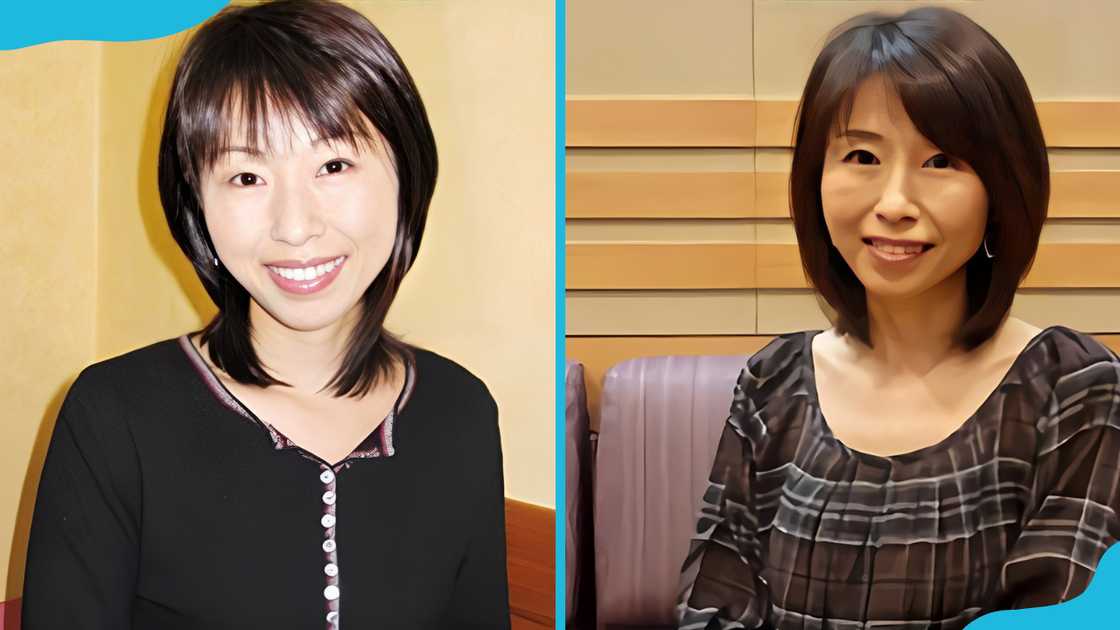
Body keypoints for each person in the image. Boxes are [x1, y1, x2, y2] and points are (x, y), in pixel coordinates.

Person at [21, 2, 510, 628]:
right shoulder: (113, 417)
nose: (295, 226)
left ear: (405, 173)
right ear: (197, 203)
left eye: (333, 165)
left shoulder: (461, 411)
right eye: (247, 177)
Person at [677, 7, 1120, 629]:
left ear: (1001, 190)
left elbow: (1060, 615)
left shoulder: (1071, 388)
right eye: (861, 156)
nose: (894, 204)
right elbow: (714, 606)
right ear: (816, 178)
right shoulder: (773, 383)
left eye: (941, 162)